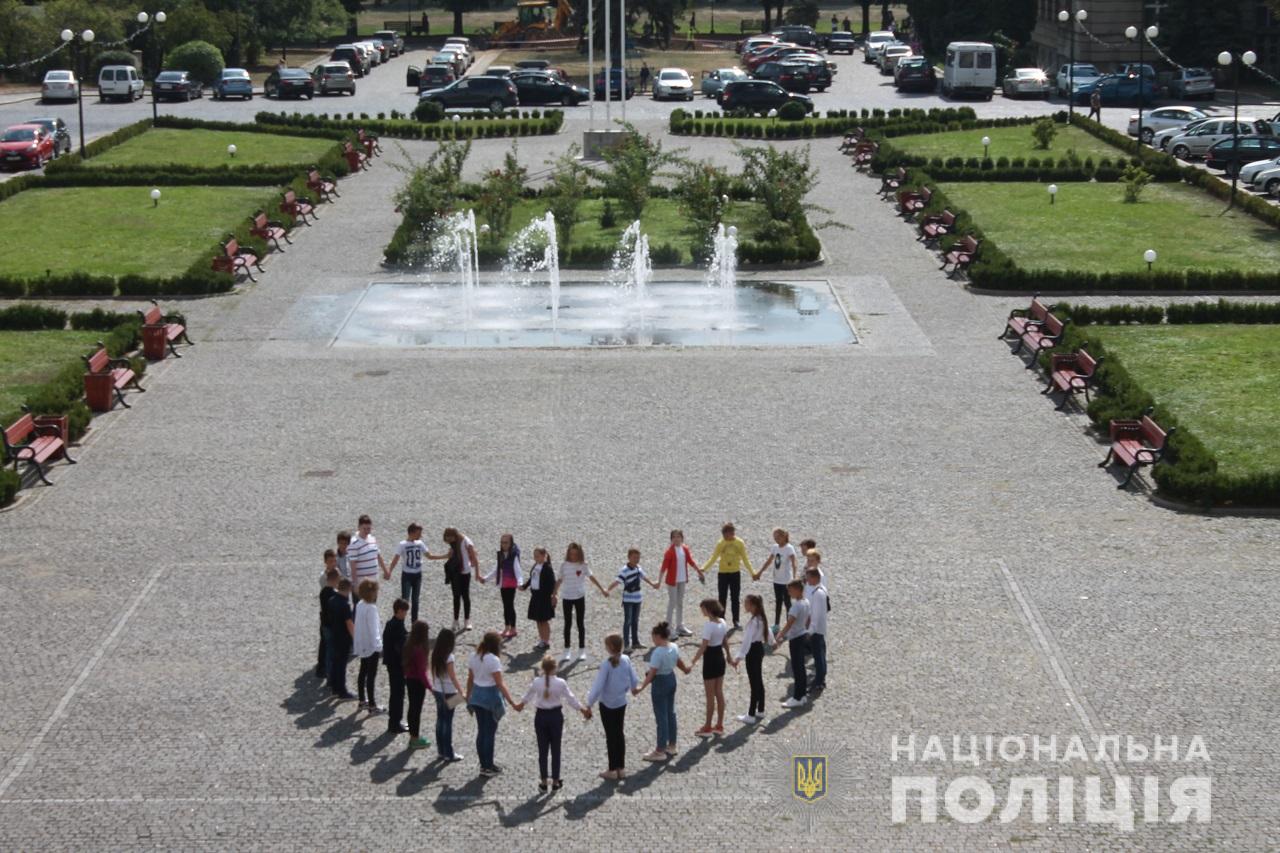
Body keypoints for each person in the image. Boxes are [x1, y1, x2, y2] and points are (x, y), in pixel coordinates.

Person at [513, 656, 590, 791]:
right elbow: (571, 699)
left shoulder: (537, 682)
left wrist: (519, 705)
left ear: (542, 668)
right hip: (555, 717)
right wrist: (582, 710)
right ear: (555, 668)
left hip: (541, 717)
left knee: (542, 751)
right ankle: (555, 781)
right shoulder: (560, 682)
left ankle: (543, 781)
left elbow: (527, 696)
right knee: (556, 749)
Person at [585, 633, 639, 781]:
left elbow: (598, 686)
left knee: (611, 736)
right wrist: (633, 688)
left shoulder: (606, 664)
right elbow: (634, 678)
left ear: (610, 648)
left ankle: (612, 769)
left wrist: (589, 703)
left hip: (607, 704)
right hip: (621, 702)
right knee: (619, 734)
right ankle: (621, 768)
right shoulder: (626, 659)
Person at [633, 622, 690, 760]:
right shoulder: (674, 647)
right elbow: (678, 661)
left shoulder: (658, 652)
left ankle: (660, 750)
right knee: (671, 713)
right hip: (671, 679)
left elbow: (652, 673)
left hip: (660, 683)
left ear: (658, 636)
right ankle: (672, 745)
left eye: (653, 637)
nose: (653, 640)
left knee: (661, 717)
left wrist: (641, 687)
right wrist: (685, 669)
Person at [466, 631, 517, 776]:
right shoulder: (493, 660)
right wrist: (511, 701)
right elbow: (499, 683)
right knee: (489, 733)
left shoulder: (473, 656)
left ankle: (484, 765)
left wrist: (468, 696)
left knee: (482, 731)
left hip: (476, 696)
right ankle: (488, 766)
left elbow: (470, 679)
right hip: (489, 697)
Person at [686, 598, 735, 736]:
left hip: (710, 660)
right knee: (719, 692)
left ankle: (707, 726)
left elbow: (703, 646)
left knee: (710, 696)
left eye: (702, 608)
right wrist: (729, 656)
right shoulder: (723, 622)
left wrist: (693, 661)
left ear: (708, 609)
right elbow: (725, 641)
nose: (701, 611)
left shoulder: (709, 626)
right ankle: (719, 725)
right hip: (719, 657)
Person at [554, 542, 607, 662]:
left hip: (579, 597)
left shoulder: (583, 565)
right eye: (571, 554)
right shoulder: (564, 565)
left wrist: (602, 589)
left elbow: (591, 577)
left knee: (580, 623)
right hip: (567, 597)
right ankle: (567, 649)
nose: (573, 556)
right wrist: (554, 594)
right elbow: (559, 580)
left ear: (579, 554)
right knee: (567, 624)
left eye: (576, 554)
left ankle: (581, 649)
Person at [605, 548, 660, 652]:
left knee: (635, 621)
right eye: (634, 557)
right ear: (629, 557)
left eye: (638, 557)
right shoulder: (624, 570)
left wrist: (653, 584)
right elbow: (617, 581)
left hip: (637, 598)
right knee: (628, 621)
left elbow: (644, 577)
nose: (636, 560)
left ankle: (635, 642)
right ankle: (626, 644)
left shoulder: (639, 568)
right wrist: (608, 589)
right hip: (628, 600)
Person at [702, 522, 753, 628]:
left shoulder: (739, 543)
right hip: (723, 573)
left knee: (735, 597)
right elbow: (714, 557)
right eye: (724, 535)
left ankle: (736, 620)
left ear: (732, 533)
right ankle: (721, 618)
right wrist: (704, 568)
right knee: (722, 597)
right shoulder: (721, 543)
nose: (726, 537)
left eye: (728, 534)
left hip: (735, 573)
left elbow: (745, 559)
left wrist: (753, 572)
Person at [387, 523, 437, 624]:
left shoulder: (420, 543)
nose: (420, 536)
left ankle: (414, 623)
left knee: (415, 600)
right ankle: (400, 623)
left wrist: (446, 556)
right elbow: (395, 559)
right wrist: (389, 571)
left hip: (417, 575)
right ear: (412, 533)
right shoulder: (402, 544)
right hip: (407, 575)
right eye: (418, 533)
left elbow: (429, 556)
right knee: (405, 600)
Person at [773, 580, 811, 708]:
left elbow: (789, 623)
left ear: (797, 590)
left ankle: (797, 697)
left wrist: (779, 635)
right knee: (801, 667)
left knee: (797, 668)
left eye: (790, 590)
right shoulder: (806, 602)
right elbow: (808, 619)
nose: (788, 593)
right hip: (803, 635)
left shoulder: (796, 606)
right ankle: (803, 694)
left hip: (795, 639)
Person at [732, 594, 769, 724]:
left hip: (753, 651)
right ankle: (761, 709)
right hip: (759, 649)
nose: (744, 605)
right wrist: (774, 642)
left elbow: (746, 642)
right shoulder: (761, 618)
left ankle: (751, 714)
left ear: (753, 605)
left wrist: (738, 657)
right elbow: (768, 632)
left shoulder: (754, 622)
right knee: (758, 679)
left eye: (746, 603)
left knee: (754, 682)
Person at [430, 628, 465, 761]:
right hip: (449, 692)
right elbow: (453, 677)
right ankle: (449, 753)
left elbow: (434, 673)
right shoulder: (449, 656)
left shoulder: (435, 653)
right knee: (447, 722)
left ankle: (440, 751)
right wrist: (462, 692)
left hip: (438, 690)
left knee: (440, 720)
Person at [660, 529, 703, 637]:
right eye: (674, 537)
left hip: (682, 579)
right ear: (671, 539)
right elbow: (664, 567)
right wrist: (659, 581)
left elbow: (690, 561)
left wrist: (698, 571)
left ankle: (679, 626)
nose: (676, 539)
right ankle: (668, 628)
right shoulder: (669, 552)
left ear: (682, 538)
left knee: (680, 603)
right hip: (672, 581)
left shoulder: (685, 549)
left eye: (678, 537)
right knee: (672, 603)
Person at [481, 533, 523, 639]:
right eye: (502, 542)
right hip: (503, 583)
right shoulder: (500, 555)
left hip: (511, 584)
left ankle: (513, 628)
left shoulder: (513, 555)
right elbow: (496, 569)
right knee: (505, 606)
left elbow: (518, 570)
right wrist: (486, 579)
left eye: (506, 542)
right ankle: (506, 627)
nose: (503, 544)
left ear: (510, 543)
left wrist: (520, 583)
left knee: (510, 605)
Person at [755, 527, 798, 627]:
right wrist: (760, 572)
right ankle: (777, 624)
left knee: (787, 603)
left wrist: (795, 576)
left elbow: (794, 562)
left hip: (786, 580)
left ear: (784, 536)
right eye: (775, 537)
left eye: (778, 537)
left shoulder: (789, 548)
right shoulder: (775, 547)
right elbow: (769, 561)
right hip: (777, 580)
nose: (776, 539)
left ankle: (789, 625)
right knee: (778, 601)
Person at [353, 580, 383, 712]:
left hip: (362, 644)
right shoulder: (371, 608)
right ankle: (372, 704)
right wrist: (379, 646)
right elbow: (374, 629)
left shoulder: (360, 604)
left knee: (362, 672)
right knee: (371, 675)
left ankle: (361, 700)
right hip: (371, 646)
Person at [403, 619, 432, 748]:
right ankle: (415, 738)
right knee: (416, 710)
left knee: (412, 708)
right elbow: (422, 673)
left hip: (409, 679)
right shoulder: (420, 650)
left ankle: (412, 736)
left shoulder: (409, 644)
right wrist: (430, 687)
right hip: (417, 683)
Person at [443, 528, 479, 631]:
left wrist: (477, 573)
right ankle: (455, 620)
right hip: (455, 571)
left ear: (454, 536)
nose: (449, 541)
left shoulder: (465, 541)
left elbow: (474, 556)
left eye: (450, 538)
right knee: (456, 596)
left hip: (465, 572)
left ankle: (467, 620)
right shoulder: (453, 542)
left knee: (465, 596)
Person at [383, 598, 410, 733]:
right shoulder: (397, 626)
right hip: (397, 666)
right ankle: (395, 723)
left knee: (396, 694)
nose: (406, 614)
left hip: (391, 664)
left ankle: (394, 721)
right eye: (405, 612)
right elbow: (400, 648)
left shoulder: (391, 623)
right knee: (398, 695)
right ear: (399, 611)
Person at [349, 515, 387, 611]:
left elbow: (378, 555)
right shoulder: (354, 543)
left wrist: (386, 570)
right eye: (364, 528)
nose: (367, 531)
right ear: (359, 527)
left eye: (369, 528)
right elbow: (352, 565)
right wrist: (355, 584)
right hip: (362, 584)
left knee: (372, 608)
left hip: (374, 582)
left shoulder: (372, 539)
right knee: (360, 610)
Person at [522, 547, 557, 650]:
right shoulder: (536, 566)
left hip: (543, 598)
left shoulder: (547, 568)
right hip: (535, 596)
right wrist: (524, 586)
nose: (535, 558)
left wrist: (553, 596)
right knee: (538, 619)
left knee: (543, 620)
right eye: (534, 556)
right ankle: (542, 639)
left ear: (543, 556)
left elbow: (552, 584)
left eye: (537, 556)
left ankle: (546, 641)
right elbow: (532, 578)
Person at [326, 579, 355, 699]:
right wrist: (355, 638)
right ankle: (342, 691)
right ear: (348, 589)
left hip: (333, 635)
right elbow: (349, 623)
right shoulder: (345, 605)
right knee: (342, 664)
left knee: (335, 662)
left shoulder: (332, 600)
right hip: (343, 638)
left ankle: (334, 687)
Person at [804, 568, 828, 693]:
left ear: (815, 578)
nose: (807, 580)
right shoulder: (820, 591)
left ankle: (819, 681)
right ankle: (820, 680)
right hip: (819, 629)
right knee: (820, 655)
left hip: (816, 631)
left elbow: (816, 615)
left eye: (808, 578)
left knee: (819, 657)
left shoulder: (818, 594)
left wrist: (810, 631)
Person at [318, 558, 340, 678]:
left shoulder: (323, 592)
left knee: (324, 645)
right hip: (330, 625)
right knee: (330, 649)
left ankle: (321, 668)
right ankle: (328, 672)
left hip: (324, 623)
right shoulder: (333, 594)